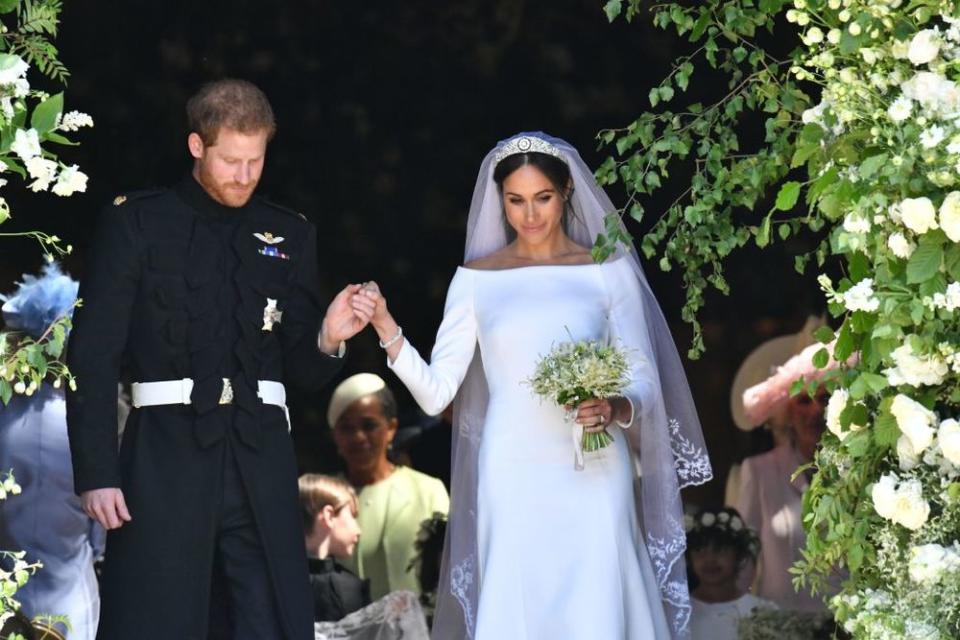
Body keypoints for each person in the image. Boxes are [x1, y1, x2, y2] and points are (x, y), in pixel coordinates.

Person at [352, 133, 712, 639]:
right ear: (500, 201)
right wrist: (389, 329)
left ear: (566, 190)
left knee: (599, 594)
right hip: (512, 469)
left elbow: (645, 381)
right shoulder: (476, 279)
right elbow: (436, 393)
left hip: (593, 465)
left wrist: (612, 405)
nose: (530, 214)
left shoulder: (607, 272)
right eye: (515, 200)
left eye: (542, 197)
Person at [66, 79, 372, 640]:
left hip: (261, 463)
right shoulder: (136, 223)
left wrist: (330, 337)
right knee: (158, 620)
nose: (245, 175)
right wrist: (97, 473)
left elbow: (301, 371)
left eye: (256, 160)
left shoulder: (290, 233)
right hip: (162, 459)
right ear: (196, 146)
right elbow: (91, 354)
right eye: (231, 160)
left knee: (267, 621)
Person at [0, 264, 104, 640]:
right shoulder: (90, 425)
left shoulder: (5, 418)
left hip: (9, 589)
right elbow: (102, 528)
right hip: (71, 593)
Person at [732, 320, 835, 612]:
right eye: (804, 400)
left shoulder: (856, 470)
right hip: (781, 625)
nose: (816, 411)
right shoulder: (760, 471)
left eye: (825, 398)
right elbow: (743, 559)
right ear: (787, 413)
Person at [327, 373, 450, 600]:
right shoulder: (322, 499)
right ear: (335, 435)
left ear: (391, 427)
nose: (359, 437)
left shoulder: (428, 490)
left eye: (369, 425)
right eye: (346, 428)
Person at [685, 507, 774, 640]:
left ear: (739, 555)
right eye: (700, 550)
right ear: (689, 558)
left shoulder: (762, 612)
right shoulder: (679, 612)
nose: (710, 560)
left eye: (720, 550)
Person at [298, 474, 370, 622]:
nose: (358, 530)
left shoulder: (276, 581)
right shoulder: (349, 590)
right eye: (352, 516)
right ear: (329, 516)